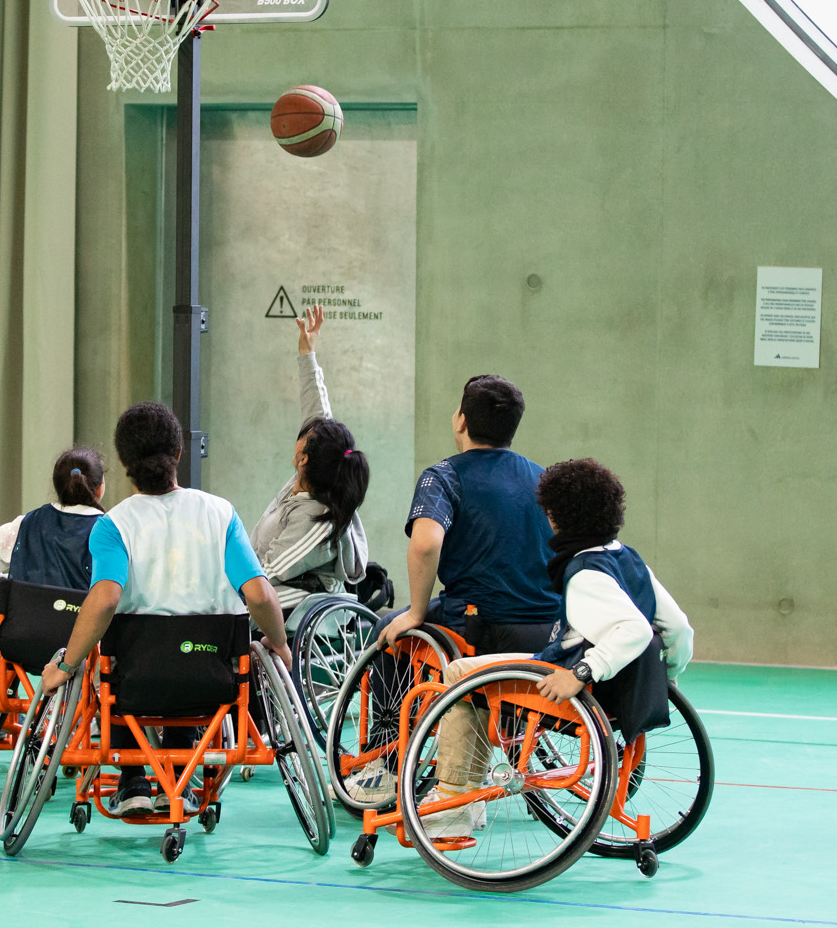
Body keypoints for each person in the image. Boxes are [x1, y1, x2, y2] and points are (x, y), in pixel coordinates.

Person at [418, 457, 694, 839]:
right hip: (607, 687)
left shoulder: (584, 572)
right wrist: (668, 676)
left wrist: (582, 672)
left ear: (554, 518)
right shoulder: (628, 558)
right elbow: (678, 629)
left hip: (568, 679)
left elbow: (634, 630)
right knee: (476, 676)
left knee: (459, 674)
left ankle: (454, 798)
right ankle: (469, 796)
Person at [39, 402, 292, 816]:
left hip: (137, 677)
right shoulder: (220, 513)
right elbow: (260, 596)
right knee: (188, 660)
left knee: (113, 662)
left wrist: (66, 664)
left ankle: (133, 780)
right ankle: (176, 781)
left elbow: (104, 599)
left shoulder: (113, 525)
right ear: (178, 454)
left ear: (122, 462)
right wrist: (278, 643)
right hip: (211, 678)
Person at [346, 373, 559, 805]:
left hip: (482, 626)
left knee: (391, 628)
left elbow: (425, 544)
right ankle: (515, 740)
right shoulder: (545, 480)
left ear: (460, 420)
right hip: (549, 627)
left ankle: (385, 766)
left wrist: (416, 612)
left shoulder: (443, 476)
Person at [248, 305, 369, 614]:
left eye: (305, 435)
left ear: (302, 458)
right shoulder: (314, 471)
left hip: (294, 606)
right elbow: (318, 412)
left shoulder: (316, 517)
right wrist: (307, 353)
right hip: (268, 588)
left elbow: (270, 573)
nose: (304, 429)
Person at [0, 447, 107, 604]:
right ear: (99, 489)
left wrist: (11, 588)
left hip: (25, 624)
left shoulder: (27, 523)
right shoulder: (109, 530)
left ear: (58, 486)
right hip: (84, 625)